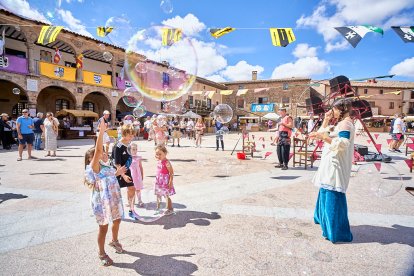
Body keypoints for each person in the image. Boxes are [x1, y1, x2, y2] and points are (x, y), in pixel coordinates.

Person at [309, 98, 354, 243]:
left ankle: (336, 231)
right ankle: (325, 222)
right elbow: (322, 133)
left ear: (341, 109)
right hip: (329, 162)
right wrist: (326, 120)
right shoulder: (339, 123)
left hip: (336, 165)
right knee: (325, 191)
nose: (331, 112)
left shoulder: (346, 123)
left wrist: (324, 137)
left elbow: (343, 144)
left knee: (332, 194)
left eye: (334, 109)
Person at [84, 118, 126, 267]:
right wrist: (101, 132)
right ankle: (101, 252)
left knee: (117, 219)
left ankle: (114, 241)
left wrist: (117, 173)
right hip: (102, 201)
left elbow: (107, 178)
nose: (103, 154)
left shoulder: (107, 167)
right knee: (103, 226)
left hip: (113, 198)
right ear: (91, 159)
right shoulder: (94, 167)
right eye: (98, 154)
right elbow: (99, 150)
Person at [112, 124, 137, 220]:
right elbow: (116, 163)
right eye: (130, 135)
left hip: (126, 170)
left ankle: (131, 210)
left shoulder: (129, 145)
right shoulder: (118, 146)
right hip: (117, 172)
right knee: (114, 192)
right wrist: (123, 175)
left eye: (133, 135)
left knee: (132, 188)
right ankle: (114, 211)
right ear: (124, 133)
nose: (132, 137)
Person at [154, 145, 175, 216]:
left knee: (166, 195)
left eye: (160, 154)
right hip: (158, 181)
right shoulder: (159, 161)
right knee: (158, 195)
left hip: (165, 181)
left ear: (165, 153)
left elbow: (171, 172)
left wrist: (170, 182)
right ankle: (158, 208)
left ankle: (170, 209)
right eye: (157, 154)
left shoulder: (166, 162)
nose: (158, 155)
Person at [129, 142, 144, 207]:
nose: (135, 151)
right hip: (131, 176)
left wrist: (142, 175)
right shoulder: (128, 158)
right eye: (133, 149)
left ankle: (140, 200)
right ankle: (131, 201)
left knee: (138, 188)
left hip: (137, 176)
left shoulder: (138, 157)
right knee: (131, 189)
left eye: (136, 149)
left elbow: (140, 167)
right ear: (129, 150)